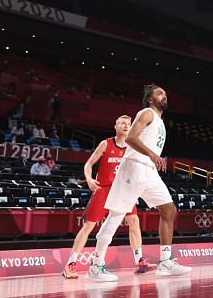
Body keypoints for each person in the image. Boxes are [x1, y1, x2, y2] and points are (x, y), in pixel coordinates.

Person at [88, 85, 190, 282]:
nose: (164, 96)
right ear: (150, 99)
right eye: (160, 93)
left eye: (166, 94)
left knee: (169, 210)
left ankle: (166, 262)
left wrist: (152, 157)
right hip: (133, 167)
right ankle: (95, 266)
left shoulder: (160, 121)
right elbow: (132, 138)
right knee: (116, 217)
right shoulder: (147, 113)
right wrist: (152, 154)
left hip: (149, 171)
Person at [63, 115, 154, 279]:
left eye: (129, 123)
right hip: (104, 189)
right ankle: (70, 264)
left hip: (124, 190)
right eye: (122, 123)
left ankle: (139, 260)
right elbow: (89, 164)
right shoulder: (106, 143)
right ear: (115, 126)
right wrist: (89, 179)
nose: (126, 126)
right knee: (89, 226)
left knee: (134, 221)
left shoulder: (133, 147)